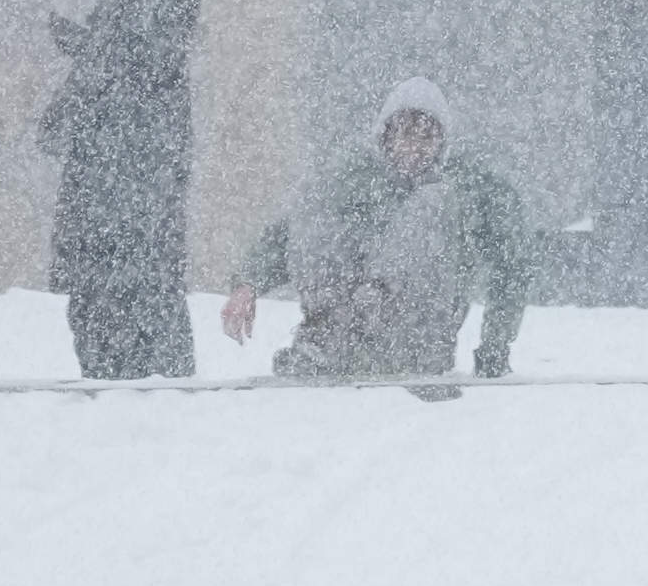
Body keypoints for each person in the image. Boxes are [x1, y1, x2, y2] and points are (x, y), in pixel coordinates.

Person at [221, 79, 531, 382]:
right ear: (386, 137)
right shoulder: (356, 182)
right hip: (345, 331)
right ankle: (325, 333)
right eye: (407, 134)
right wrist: (248, 284)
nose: (416, 147)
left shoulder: (467, 191)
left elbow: (513, 261)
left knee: (433, 201)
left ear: (442, 143)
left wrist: (495, 345)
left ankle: (378, 316)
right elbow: (291, 235)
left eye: (427, 137)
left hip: (418, 340)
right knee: (318, 200)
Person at [43, 0, 209, 380]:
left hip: (146, 143)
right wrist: (69, 12)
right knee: (92, 277)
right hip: (96, 143)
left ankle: (159, 385)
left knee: (146, 274)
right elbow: (80, 44)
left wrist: (100, 9)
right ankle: (102, 376)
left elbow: (149, 43)